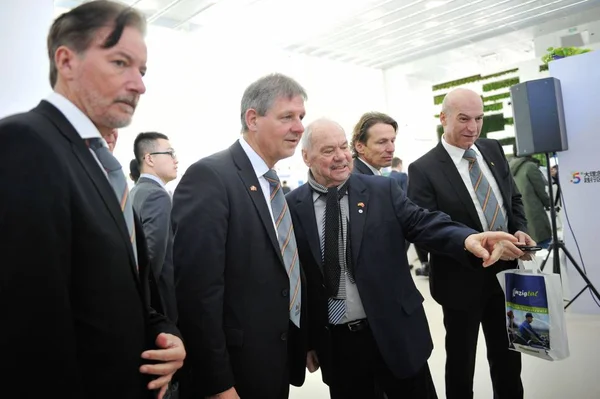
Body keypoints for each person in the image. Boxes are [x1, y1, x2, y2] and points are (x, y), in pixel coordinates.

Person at [0, 2, 185, 399]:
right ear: (66, 61)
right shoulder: (23, 144)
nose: (139, 84)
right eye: (121, 63)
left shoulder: (100, 165)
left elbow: (125, 285)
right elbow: (27, 333)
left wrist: (163, 332)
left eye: (143, 70)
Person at [287, 118, 522, 399]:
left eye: (342, 147)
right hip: (339, 345)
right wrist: (309, 341)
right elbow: (299, 280)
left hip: (395, 334)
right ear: (306, 156)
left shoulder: (381, 191)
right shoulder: (292, 208)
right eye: (328, 151)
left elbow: (423, 223)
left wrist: (465, 238)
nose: (340, 157)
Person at [172, 73, 308, 399]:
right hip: (235, 372)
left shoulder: (271, 184)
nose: (300, 127)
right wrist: (217, 382)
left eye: (301, 117)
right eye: (287, 117)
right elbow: (197, 293)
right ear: (253, 119)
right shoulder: (210, 177)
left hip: (275, 360)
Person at [407, 88, 534, 399]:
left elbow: (512, 198)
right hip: (460, 280)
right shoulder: (423, 169)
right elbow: (425, 230)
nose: (472, 128)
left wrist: (520, 230)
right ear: (444, 118)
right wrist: (470, 244)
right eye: (463, 119)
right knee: (461, 362)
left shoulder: (491, 149)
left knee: (508, 357)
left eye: (479, 119)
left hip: (507, 274)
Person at [131, 132, 179, 322]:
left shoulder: (135, 191)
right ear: (149, 158)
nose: (176, 159)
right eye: (170, 153)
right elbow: (152, 260)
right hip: (160, 306)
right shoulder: (156, 196)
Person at [509, 149, 552, 248]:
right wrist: (549, 204)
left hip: (519, 213)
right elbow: (540, 189)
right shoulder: (530, 166)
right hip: (534, 211)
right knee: (544, 243)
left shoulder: (509, 166)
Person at [350, 111, 397, 176]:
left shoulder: (371, 174)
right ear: (360, 147)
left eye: (392, 141)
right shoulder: (356, 180)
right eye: (382, 142)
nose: (391, 149)